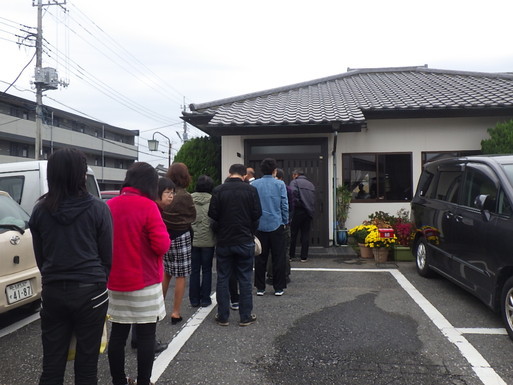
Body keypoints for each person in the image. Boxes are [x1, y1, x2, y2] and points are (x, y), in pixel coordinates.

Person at [29, 148, 113, 385]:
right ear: (80, 174)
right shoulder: (98, 208)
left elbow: (41, 258)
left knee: (52, 366)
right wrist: (97, 281)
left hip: (54, 291)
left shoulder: (40, 211)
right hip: (91, 291)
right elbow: (107, 256)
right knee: (87, 368)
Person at [106, 162, 171, 385]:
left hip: (115, 281)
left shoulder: (109, 205)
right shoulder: (148, 206)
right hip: (145, 282)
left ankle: (118, 380)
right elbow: (161, 245)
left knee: (117, 334)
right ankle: (144, 381)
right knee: (146, 336)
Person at [208, 164, 262, 326]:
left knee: (223, 277)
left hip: (224, 241)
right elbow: (256, 215)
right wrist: (250, 231)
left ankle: (222, 316)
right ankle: (245, 316)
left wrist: (219, 231)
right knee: (245, 278)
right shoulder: (251, 191)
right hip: (245, 240)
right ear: (245, 175)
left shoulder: (218, 190)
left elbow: (213, 216)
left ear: (229, 173)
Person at [130, 177, 175, 353]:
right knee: (147, 310)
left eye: (172, 193)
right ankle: (146, 343)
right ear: (157, 193)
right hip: (147, 268)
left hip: (135, 266)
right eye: (167, 193)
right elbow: (160, 244)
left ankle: (136, 339)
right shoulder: (152, 209)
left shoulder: (149, 207)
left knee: (135, 310)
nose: (171, 196)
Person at [162, 162, 196, 324]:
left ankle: (158, 308)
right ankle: (176, 312)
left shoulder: (165, 194)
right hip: (182, 235)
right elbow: (192, 216)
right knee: (181, 275)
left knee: (166, 272)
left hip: (164, 235)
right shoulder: (185, 196)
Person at [251, 158, 288, 296]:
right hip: (276, 223)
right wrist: (285, 221)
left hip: (259, 225)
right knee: (278, 256)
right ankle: (278, 288)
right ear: (274, 171)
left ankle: (260, 288)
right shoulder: (280, 184)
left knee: (260, 256)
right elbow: (284, 204)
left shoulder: (254, 184)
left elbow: (252, 206)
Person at [189, 175, 216, 307]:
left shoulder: (189, 199)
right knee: (207, 270)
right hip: (208, 240)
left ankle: (194, 299)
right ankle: (205, 299)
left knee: (194, 270)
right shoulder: (213, 199)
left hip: (192, 240)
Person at [266, 168, 293, 284]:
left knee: (272, 252)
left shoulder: (271, 188)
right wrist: (286, 221)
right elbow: (290, 207)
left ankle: (272, 276)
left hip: (274, 223)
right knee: (283, 251)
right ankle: (285, 275)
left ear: (280, 177)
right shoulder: (289, 189)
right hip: (284, 223)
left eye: (275, 175)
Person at [289, 169, 316, 262]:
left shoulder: (295, 182)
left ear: (296, 174)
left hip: (298, 210)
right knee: (305, 234)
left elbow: (292, 194)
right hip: (308, 212)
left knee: (293, 234)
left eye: (293, 175)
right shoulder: (310, 184)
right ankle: (304, 257)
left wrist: (296, 204)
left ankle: (291, 255)